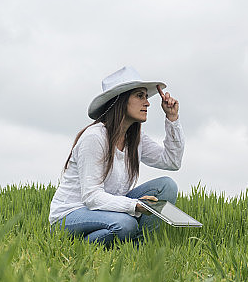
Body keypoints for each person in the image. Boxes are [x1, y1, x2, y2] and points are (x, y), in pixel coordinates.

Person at [48, 66, 185, 245]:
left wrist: (172, 119)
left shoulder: (135, 137)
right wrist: (134, 206)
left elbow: (172, 162)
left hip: (106, 211)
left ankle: (138, 247)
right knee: (126, 224)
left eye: (146, 96)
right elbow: (92, 197)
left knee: (166, 185)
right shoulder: (95, 137)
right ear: (120, 100)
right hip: (71, 215)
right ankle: (76, 247)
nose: (148, 103)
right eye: (139, 96)